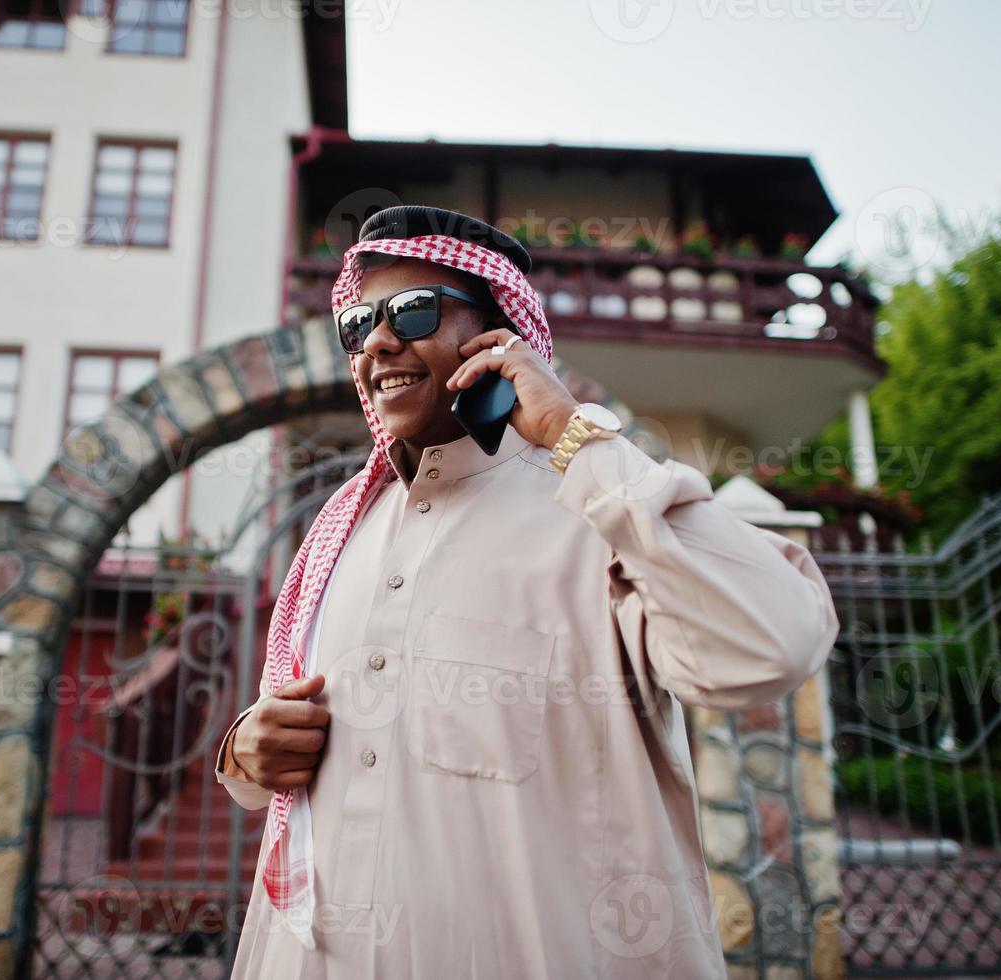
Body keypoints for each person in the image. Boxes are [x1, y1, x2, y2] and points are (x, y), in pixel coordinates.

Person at [214, 206, 840, 978]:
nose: (377, 342)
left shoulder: (596, 508)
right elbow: (296, 755)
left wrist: (575, 438)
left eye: (412, 312)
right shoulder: (337, 534)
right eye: (356, 323)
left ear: (497, 336)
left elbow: (768, 645)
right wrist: (246, 750)